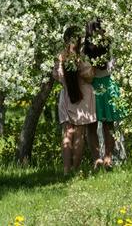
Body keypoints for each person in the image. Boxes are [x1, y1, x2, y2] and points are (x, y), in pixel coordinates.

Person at [54, 26, 97, 175]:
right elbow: (89, 76)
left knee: (68, 133)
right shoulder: (82, 57)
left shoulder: (60, 56)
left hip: (68, 95)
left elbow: (57, 77)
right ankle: (74, 169)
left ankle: (67, 171)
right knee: (78, 134)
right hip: (81, 96)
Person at [84, 19, 126, 169]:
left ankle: (99, 158)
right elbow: (114, 66)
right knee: (106, 124)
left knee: (94, 125)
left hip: (93, 86)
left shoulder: (86, 49)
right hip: (106, 84)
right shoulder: (108, 45)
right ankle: (105, 158)